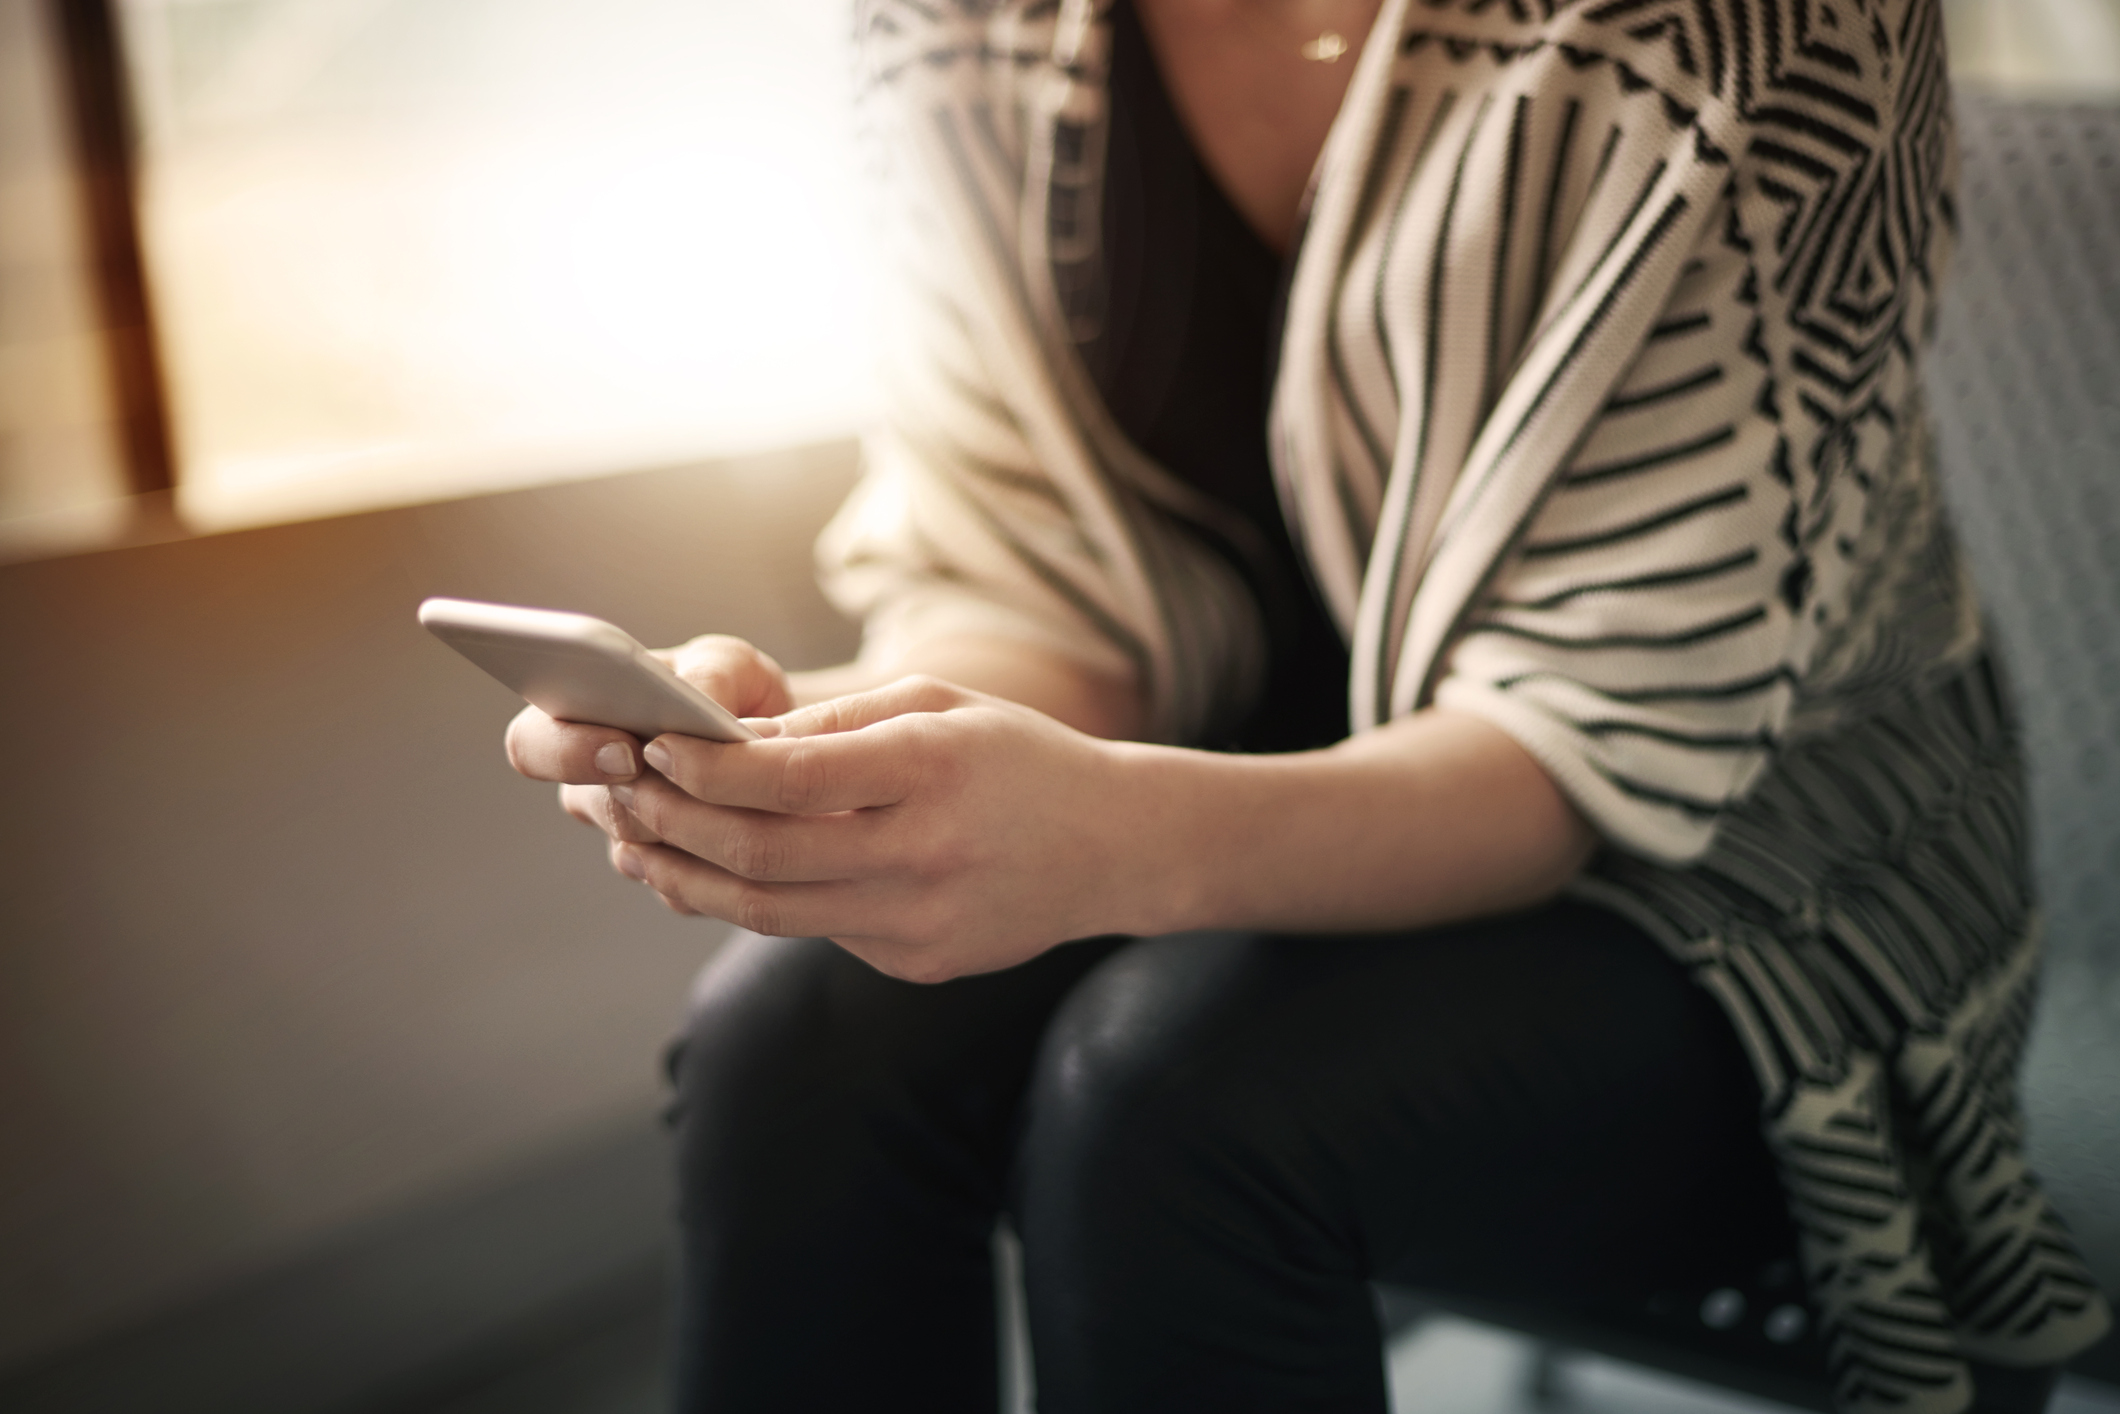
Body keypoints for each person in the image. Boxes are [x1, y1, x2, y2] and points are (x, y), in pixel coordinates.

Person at [502, 1, 2111, 1411]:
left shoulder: (1729, 24)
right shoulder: (955, 22)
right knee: (794, 1036)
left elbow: (1592, 741)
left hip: (1752, 877)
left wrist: (1113, 837)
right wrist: (842, 746)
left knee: (1176, 1110)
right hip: (1225, 777)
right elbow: (1040, 574)